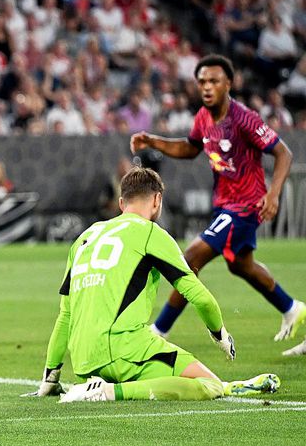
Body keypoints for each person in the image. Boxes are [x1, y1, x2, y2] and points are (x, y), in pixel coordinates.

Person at [31, 166, 280, 403]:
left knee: (210, 383)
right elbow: (201, 298)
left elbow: (65, 316)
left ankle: (230, 385)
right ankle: (111, 391)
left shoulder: (84, 237)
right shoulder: (151, 233)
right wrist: (219, 335)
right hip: (127, 351)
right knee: (208, 385)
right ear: (157, 200)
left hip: (85, 362)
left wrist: (51, 376)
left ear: (121, 204)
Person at [129, 55, 303, 353]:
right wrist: (154, 141)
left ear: (229, 84)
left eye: (214, 81)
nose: (207, 87)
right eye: (202, 82)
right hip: (225, 206)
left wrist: (272, 194)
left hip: (246, 206)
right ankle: (292, 309)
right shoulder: (203, 118)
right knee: (241, 266)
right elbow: (190, 147)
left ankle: (158, 331)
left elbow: (283, 153)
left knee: (190, 258)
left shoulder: (244, 118)